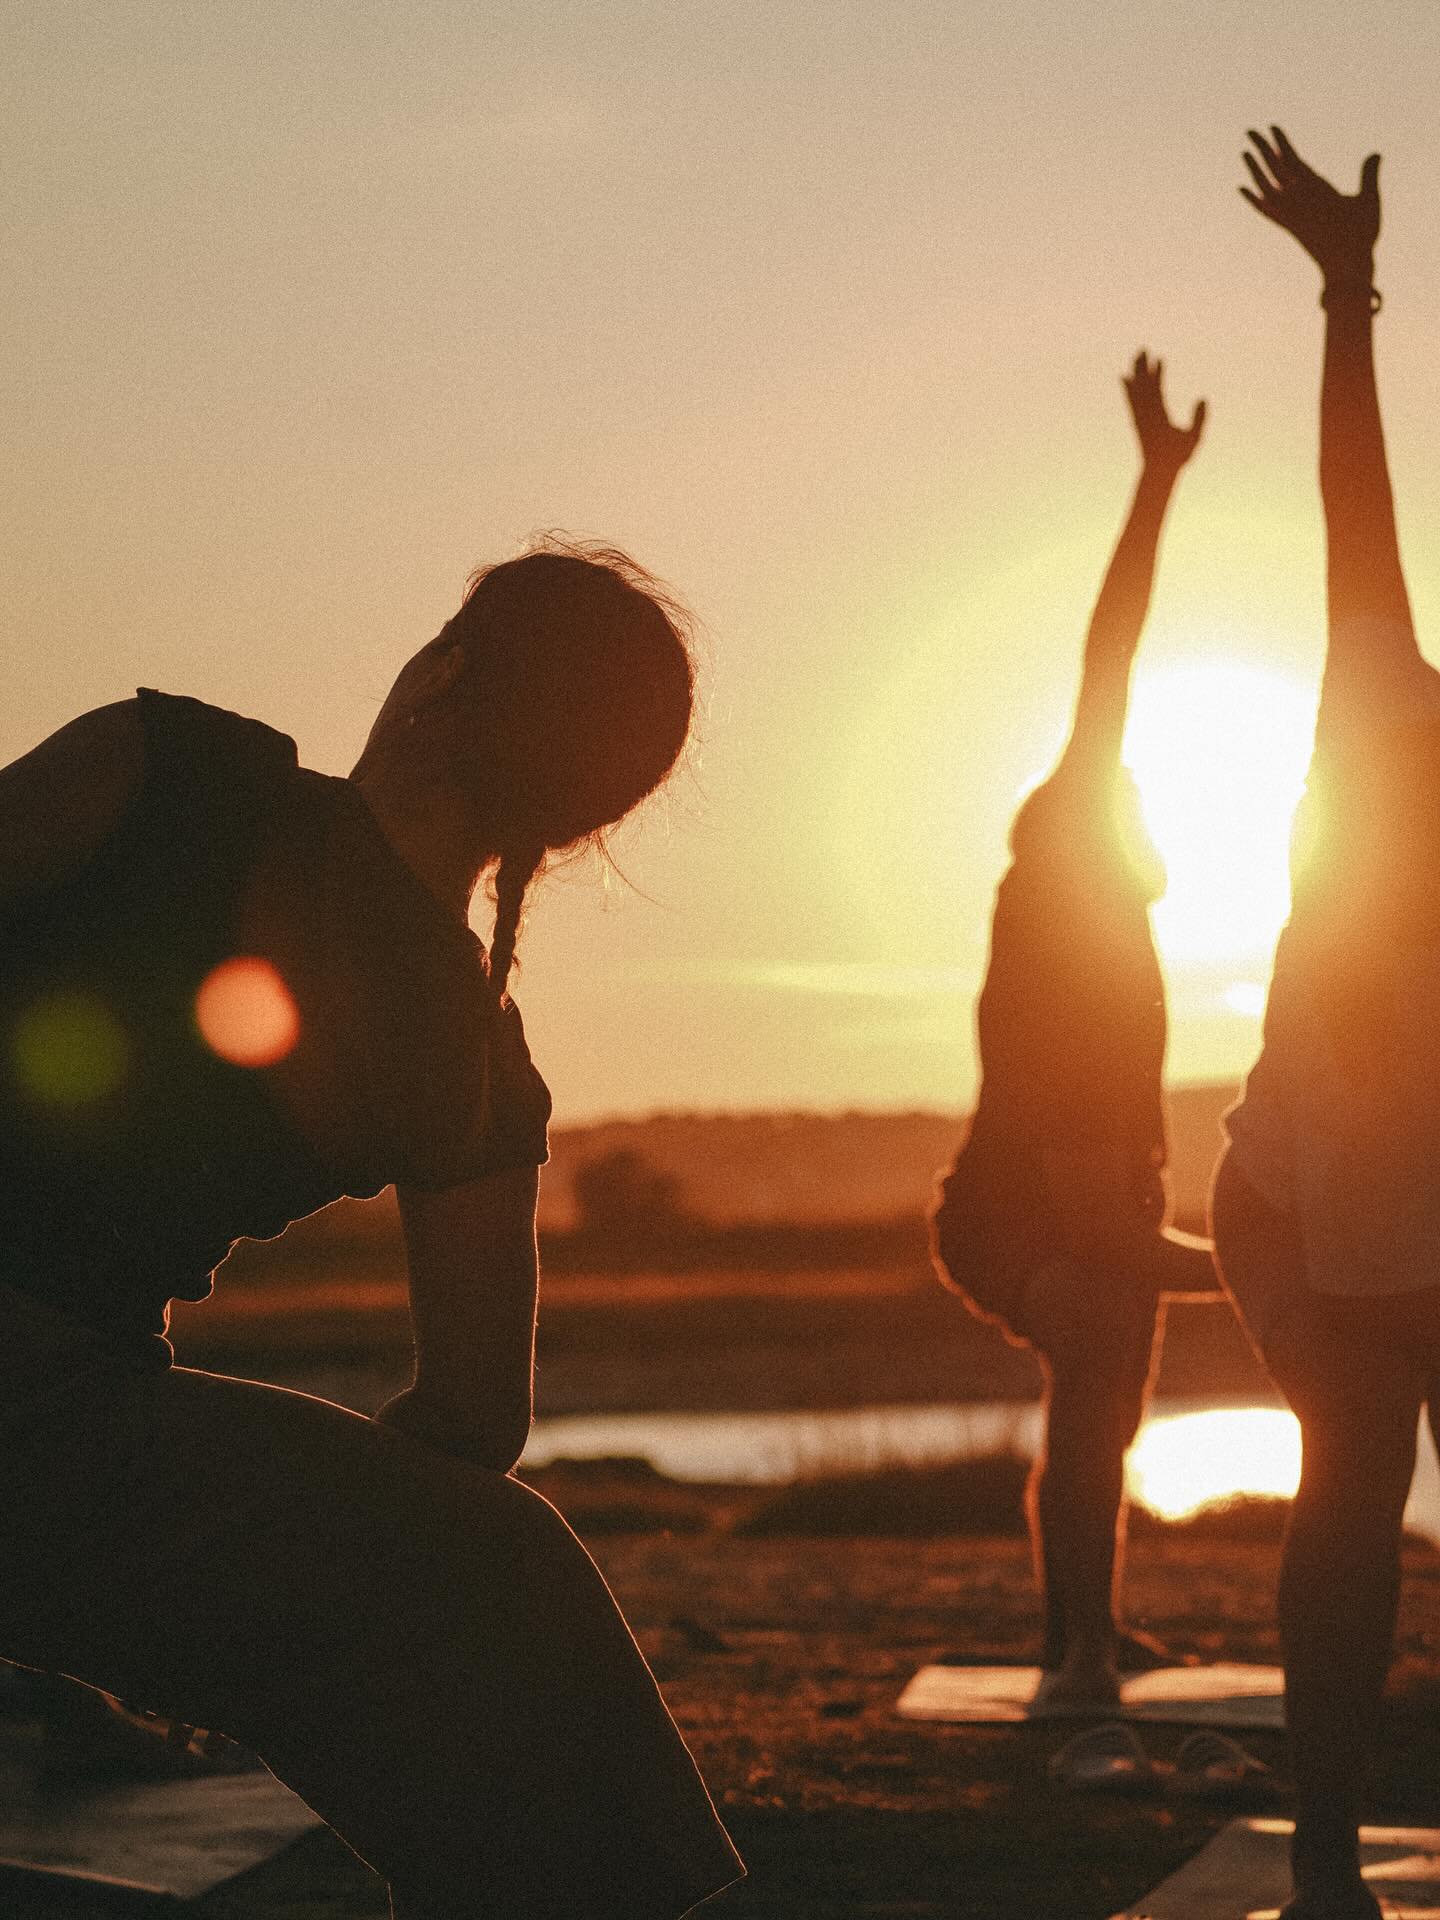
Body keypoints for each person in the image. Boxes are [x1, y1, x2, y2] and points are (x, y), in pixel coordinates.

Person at [0, 540, 743, 1919]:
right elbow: (471, 1424)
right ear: (579, 824)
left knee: (488, 1571)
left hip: (48, 1432)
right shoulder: (469, 1058)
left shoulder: (173, 769)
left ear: (441, 669)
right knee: (498, 1568)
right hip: (53, 1440)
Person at [1216, 128, 1440, 1920]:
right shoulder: (1386, 707)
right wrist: (1347, 288)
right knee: (1354, 1491)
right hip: (1310, 1197)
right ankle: (1320, 1866)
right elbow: (1354, 508)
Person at [932, 356, 1219, 1709]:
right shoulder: (1063, 871)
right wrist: (1155, 484)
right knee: (1104, 1350)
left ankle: (1080, 1632)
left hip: (1099, 1198)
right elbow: (1113, 656)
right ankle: (1083, 1655)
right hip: (1012, 1213)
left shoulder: (1107, 920)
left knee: (1103, 1404)